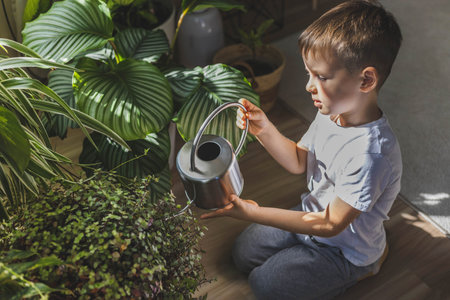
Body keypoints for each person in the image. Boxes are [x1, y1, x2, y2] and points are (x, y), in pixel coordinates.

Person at [200, 0, 403, 299]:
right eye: (310, 74)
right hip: (311, 215)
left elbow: (330, 224)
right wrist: (264, 128)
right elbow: (299, 161)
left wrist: (254, 213)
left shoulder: (371, 155)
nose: (309, 86)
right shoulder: (331, 114)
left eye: (321, 77)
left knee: (264, 283)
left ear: (366, 80)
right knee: (243, 254)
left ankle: (368, 264)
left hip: (343, 249)